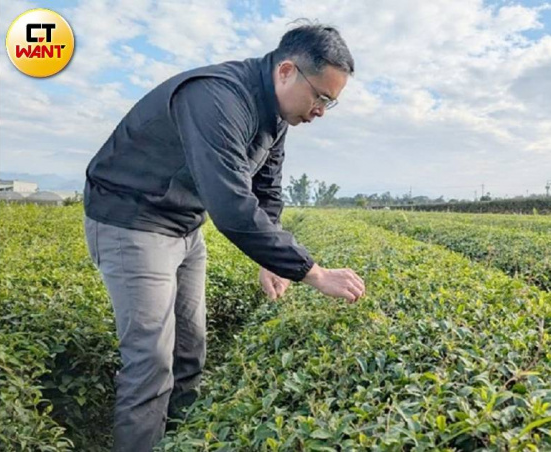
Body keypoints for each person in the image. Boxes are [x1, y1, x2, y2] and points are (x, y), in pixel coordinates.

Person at [82, 22, 365, 451]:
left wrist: (271, 260)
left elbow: (266, 189)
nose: (321, 111)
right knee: (151, 361)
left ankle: (177, 440)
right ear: (287, 71)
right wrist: (313, 272)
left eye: (331, 103)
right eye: (321, 97)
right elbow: (231, 205)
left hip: (183, 223)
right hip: (134, 220)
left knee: (190, 348)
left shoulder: (276, 116)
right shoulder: (216, 97)